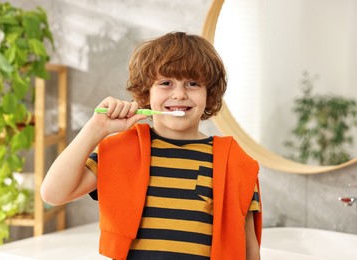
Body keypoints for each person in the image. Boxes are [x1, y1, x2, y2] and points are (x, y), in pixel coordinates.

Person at [41, 31, 262, 260]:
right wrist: (96, 129)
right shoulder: (121, 150)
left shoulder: (233, 162)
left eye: (193, 83)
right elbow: (53, 193)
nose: (179, 94)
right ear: (147, 92)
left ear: (210, 93)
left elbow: (248, 249)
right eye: (166, 83)